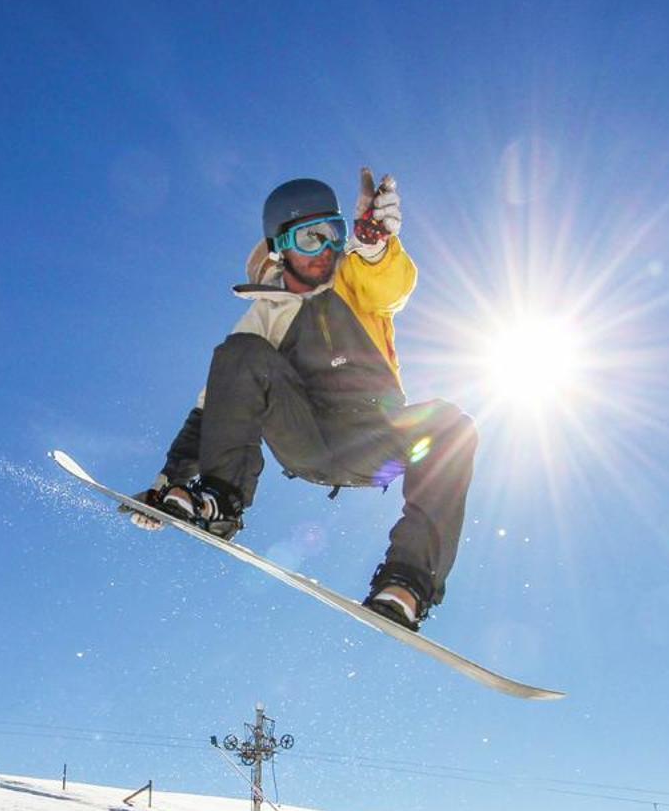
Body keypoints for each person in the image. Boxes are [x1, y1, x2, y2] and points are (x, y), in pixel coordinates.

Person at [132, 168, 476, 630]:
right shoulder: (266, 312)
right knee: (240, 353)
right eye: (309, 240)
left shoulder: (355, 275)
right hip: (306, 436)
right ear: (280, 249)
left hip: (372, 439)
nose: (326, 251)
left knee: (452, 425)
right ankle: (220, 499)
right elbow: (216, 404)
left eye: (332, 234)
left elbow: (391, 286)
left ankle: (407, 582)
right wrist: (166, 484)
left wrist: (375, 245)